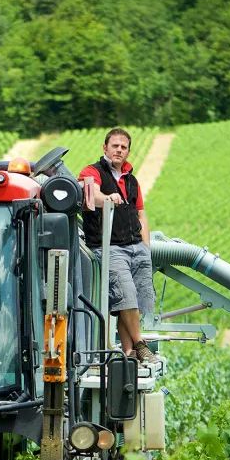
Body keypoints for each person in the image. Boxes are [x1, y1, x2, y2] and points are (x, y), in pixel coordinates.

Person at [79, 128, 158, 364]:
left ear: (128, 151)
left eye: (123, 147)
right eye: (115, 146)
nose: (119, 150)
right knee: (126, 295)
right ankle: (141, 344)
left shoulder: (131, 180)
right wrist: (108, 199)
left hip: (136, 246)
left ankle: (129, 351)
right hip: (109, 247)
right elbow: (90, 194)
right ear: (105, 148)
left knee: (137, 299)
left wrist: (145, 247)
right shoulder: (92, 172)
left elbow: (141, 214)